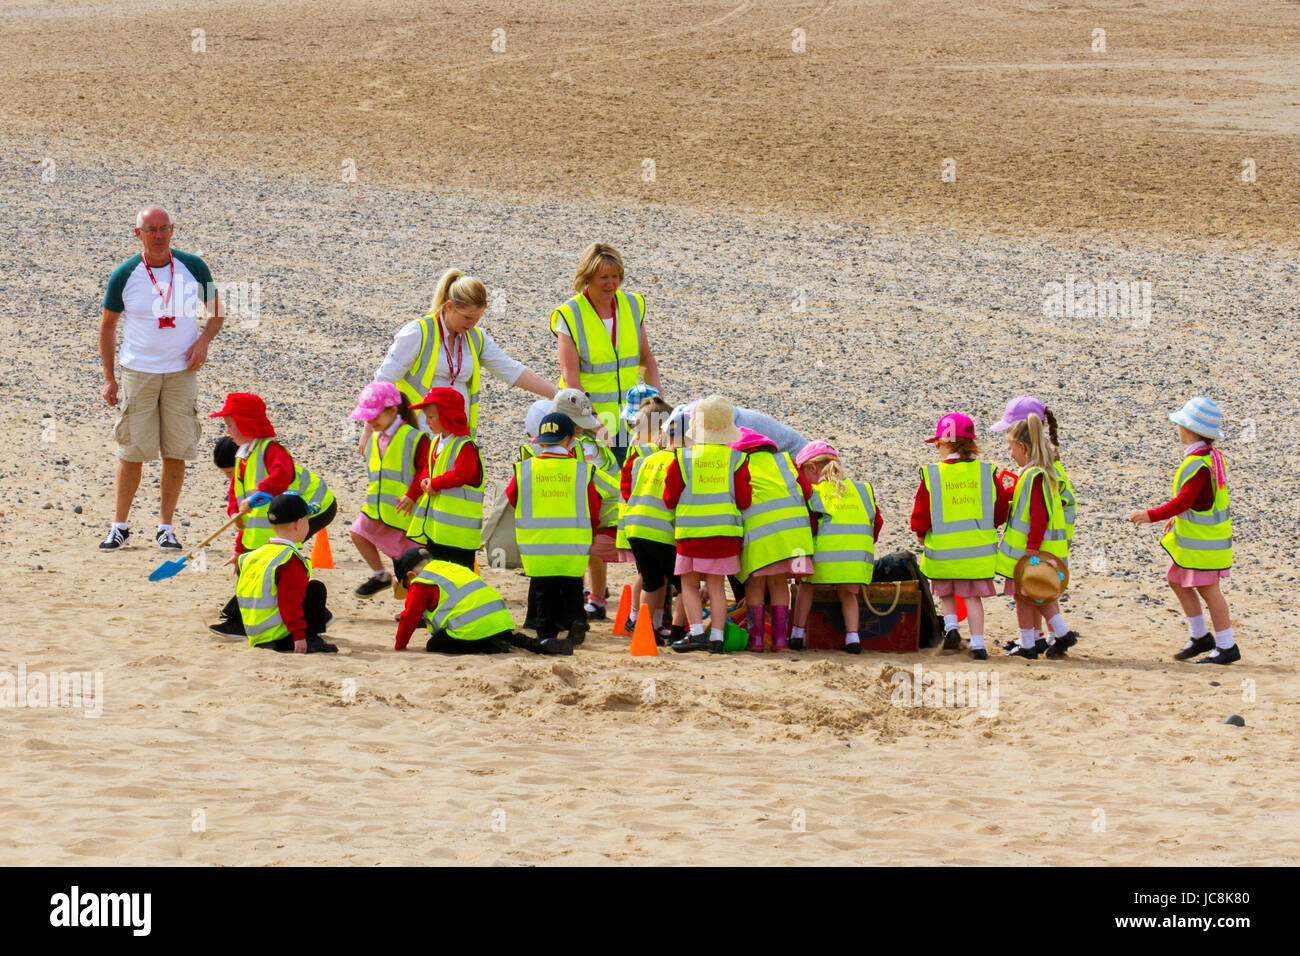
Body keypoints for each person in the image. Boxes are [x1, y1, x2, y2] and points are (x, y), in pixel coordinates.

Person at [99, 204, 222, 552]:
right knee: (132, 450)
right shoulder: (125, 273)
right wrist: (110, 378)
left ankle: (165, 527)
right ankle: (119, 526)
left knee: (176, 449)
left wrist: (204, 340)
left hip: (182, 373)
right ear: (137, 234)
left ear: (172, 230)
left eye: (163, 228)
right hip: (139, 372)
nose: (158, 235)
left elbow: (217, 312)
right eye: (150, 229)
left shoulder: (193, 267)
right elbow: (107, 327)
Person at [375, 268, 555, 438]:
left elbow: (511, 370)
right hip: (416, 436)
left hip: (456, 438)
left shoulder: (476, 338)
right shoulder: (418, 333)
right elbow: (383, 380)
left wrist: (559, 395)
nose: (472, 324)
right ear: (449, 306)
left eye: (477, 318)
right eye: (467, 317)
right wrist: (370, 428)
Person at [1130, 397, 1237, 664]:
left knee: (1210, 591)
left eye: (1179, 424)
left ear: (1189, 429)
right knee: (1176, 579)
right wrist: (1177, 519)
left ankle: (1226, 646)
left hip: (1204, 545)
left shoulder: (1199, 463)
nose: (1176, 428)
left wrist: (1151, 515)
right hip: (1197, 542)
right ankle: (1200, 636)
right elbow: (1200, 501)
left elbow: (1186, 500)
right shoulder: (1208, 458)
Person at [910, 413, 1011, 660]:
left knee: (945, 591)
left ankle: (952, 627)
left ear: (944, 443)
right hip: (977, 552)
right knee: (972, 597)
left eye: (937, 444)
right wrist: (986, 526)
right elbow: (1000, 510)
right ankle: (978, 643)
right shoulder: (986, 473)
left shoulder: (934, 474)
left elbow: (922, 511)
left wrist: (921, 533)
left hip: (944, 550)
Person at [550, 243, 662, 459]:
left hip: (626, 421)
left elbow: (646, 358)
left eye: (616, 276)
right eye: (603, 277)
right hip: (583, 423)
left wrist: (658, 403)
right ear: (587, 277)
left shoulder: (633, 304)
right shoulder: (570, 315)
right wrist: (595, 423)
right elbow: (571, 379)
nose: (611, 283)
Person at [990, 395, 1080, 656]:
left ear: (1023, 445)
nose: (1009, 454)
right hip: (1042, 548)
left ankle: (1038, 639)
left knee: (1031, 594)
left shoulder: (1036, 475)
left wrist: (1032, 545)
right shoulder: (1041, 471)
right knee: (1039, 593)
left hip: (1033, 550)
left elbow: (1039, 514)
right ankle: (1047, 636)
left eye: (1011, 448)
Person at [664, 396, 752, 654]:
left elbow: (669, 498)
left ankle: (696, 634)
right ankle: (716, 637)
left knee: (688, 585)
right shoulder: (737, 459)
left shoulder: (683, 458)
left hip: (691, 533)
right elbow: (745, 499)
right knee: (716, 585)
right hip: (724, 533)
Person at [506, 413, 602, 647]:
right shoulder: (580, 470)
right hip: (573, 541)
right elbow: (594, 505)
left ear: (541, 440)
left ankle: (546, 631)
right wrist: (593, 529)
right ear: (570, 440)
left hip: (538, 543)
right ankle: (577, 620)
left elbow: (512, 496)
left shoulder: (526, 469)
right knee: (571, 584)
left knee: (543, 588)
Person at [209, 393, 336, 556]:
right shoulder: (242, 459)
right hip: (281, 512)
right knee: (253, 558)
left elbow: (282, 474)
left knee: (281, 550)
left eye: (229, 425)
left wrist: (256, 496)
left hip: (316, 503)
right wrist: (237, 542)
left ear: (245, 424)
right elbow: (240, 503)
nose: (227, 432)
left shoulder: (270, 449)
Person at [789, 443, 882, 654]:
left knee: (805, 586)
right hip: (856, 563)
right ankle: (853, 638)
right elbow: (876, 523)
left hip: (824, 562)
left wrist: (800, 559)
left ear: (812, 468)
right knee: (848, 593)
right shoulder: (862, 490)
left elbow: (808, 529)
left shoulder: (815, 492)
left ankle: (797, 633)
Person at [732, 427, 816, 652]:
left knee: (755, 584)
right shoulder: (786, 462)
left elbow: (740, 498)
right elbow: (807, 492)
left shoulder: (740, 464)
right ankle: (780, 641)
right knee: (780, 584)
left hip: (761, 536)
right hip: (793, 536)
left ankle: (756, 640)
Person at [347, 381, 429, 597]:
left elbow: (425, 470)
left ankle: (420, 609)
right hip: (377, 511)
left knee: (411, 572)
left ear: (393, 411)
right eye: (367, 416)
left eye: (375, 415)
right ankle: (379, 575)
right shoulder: (374, 438)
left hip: (405, 515)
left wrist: (412, 495)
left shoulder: (414, 437)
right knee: (357, 533)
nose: (370, 421)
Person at [233, 493, 337, 654]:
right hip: (280, 636)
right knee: (315, 589)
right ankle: (311, 638)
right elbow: (290, 602)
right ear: (299, 523)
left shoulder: (253, 555)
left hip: (256, 634)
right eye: (308, 520)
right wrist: (299, 636)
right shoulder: (288, 558)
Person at [553, 389, 622, 619]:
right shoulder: (593, 440)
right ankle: (595, 599)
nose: (581, 427)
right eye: (577, 424)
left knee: (586, 553)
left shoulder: (583, 446)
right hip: (605, 510)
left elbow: (587, 479)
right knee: (592, 554)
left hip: (601, 511)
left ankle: (591, 597)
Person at [399, 388, 483, 569]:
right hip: (437, 530)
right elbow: (428, 470)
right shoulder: (436, 442)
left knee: (461, 575)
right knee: (437, 573)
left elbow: (462, 474)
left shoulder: (465, 445)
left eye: (431, 417)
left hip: (461, 534)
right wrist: (423, 483)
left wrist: (435, 483)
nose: (426, 422)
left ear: (448, 416)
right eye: (426, 417)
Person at [620, 399, 681, 643]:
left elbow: (626, 488)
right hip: (652, 524)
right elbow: (627, 488)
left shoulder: (640, 452)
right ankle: (637, 619)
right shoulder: (649, 454)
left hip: (637, 522)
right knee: (648, 578)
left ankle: (650, 624)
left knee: (653, 580)